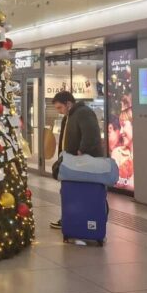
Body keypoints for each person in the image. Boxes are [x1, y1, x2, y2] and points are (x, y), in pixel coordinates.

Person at [49, 91, 102, 229]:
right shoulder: (68, 117)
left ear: (68, 103)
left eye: (60, 108)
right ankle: (69, 219)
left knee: (81, 194)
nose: (59, 112)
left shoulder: (84, 113)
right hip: (71, 163)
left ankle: (81, 221)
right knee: (69, 193)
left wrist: (81, 152)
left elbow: (91, 135)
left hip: (81, 163)